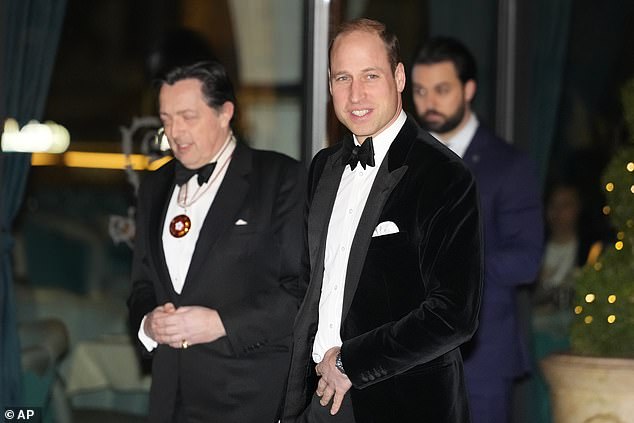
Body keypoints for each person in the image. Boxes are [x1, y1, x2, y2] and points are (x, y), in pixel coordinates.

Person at [282, 18, 483, 422]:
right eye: (343, 78)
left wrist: (350, 364)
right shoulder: (324, 167)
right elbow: (306, 284)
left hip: (401, 401)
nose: (355, 94)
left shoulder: (444, 175)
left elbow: (454, 314)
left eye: (370, 75)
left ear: (399, 76)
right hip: (316, 402)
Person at [127, 60, 307, 422]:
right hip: (167, 397)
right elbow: (142, 285)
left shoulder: (280, 178)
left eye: (188, 116)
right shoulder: (155, 185)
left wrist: (222, 323)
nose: (175, 132)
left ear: (225, 112)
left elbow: (300, 293)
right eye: (166, 119)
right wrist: (148, 323)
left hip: (246, 396)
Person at [411, 37, 543, 423]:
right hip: (407, 353)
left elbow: (527, 261)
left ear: (468, 89)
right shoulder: (405, 160)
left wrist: (453, 260)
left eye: (442, 89)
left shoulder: (509, 165)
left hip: (481, 356)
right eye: (419, 91)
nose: (429, 102)